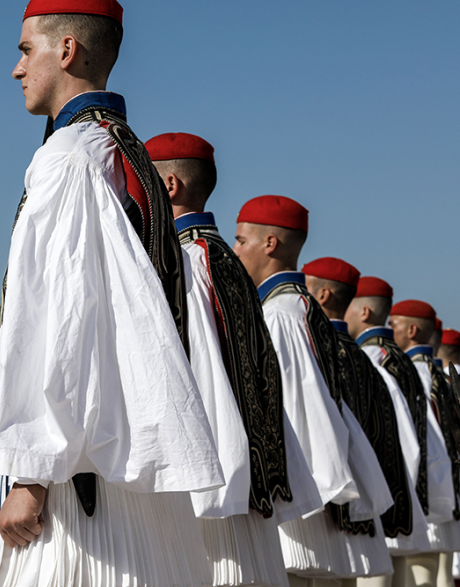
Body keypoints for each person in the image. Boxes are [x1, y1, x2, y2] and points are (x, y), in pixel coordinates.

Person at [0, 2, 225, 585]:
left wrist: (28, 476)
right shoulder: (128, 154)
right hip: (122, 459)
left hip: (71, 473)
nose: (17, 68)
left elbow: (60, 320)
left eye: (26, 50)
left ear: (66, 50)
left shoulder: (69, 158)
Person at [146, 133, 322, 587]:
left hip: (210, 492)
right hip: (241, 484)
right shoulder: (222, 258)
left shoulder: (182, 262)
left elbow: (198, 378)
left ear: (167, 186)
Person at [233, 195, 392, 582]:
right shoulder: (303, 309)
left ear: (270, 244)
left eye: (241, 240)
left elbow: (290, 405)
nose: (235, 251)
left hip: (295, 503)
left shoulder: (278, 315)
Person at [302, 259, 415, 542]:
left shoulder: (373, 357)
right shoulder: (371, 357)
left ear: (364, 311)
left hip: (346, 496)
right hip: (367, 495)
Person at [346, 277, 441, 587]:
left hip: (384, 500)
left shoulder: (376, 361)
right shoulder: (401, 361)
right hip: (403, 498)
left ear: (363, 312)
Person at [389, 300, 460, 587]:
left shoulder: (410, 373)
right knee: (435, 571)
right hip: (445, 488)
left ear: (413, 330)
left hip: (422, 487)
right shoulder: (439, 376)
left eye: (394, 325)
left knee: (418, 573)